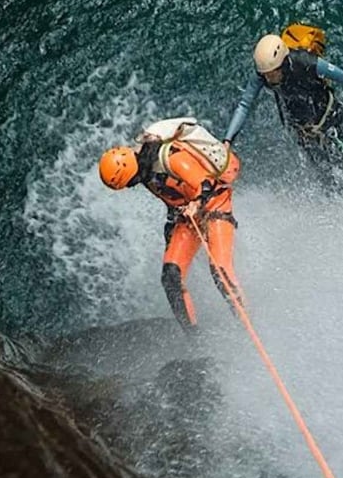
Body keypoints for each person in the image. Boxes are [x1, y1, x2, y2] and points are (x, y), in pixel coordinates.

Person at [98, 117, 243, 330]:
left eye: (131, 182)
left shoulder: (170, 157)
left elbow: (206, 183)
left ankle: (245, 323)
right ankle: (194, 337)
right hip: (186, 217)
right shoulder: (145, 173)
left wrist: (196, 203)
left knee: (219, 270)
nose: (132, 185)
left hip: (214, 203)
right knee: (171, 277)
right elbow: (172, 198)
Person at [222, 24, 343, 175]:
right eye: (264, 74)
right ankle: (337, 197)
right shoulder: (262, 73)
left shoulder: (308, 63)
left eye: (272, 74)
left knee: (339, 160)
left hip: (329, 117)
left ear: (283, 63)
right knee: (322, 170)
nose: (267, 79)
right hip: (303, 127)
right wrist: (228, 140)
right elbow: (244, 105)